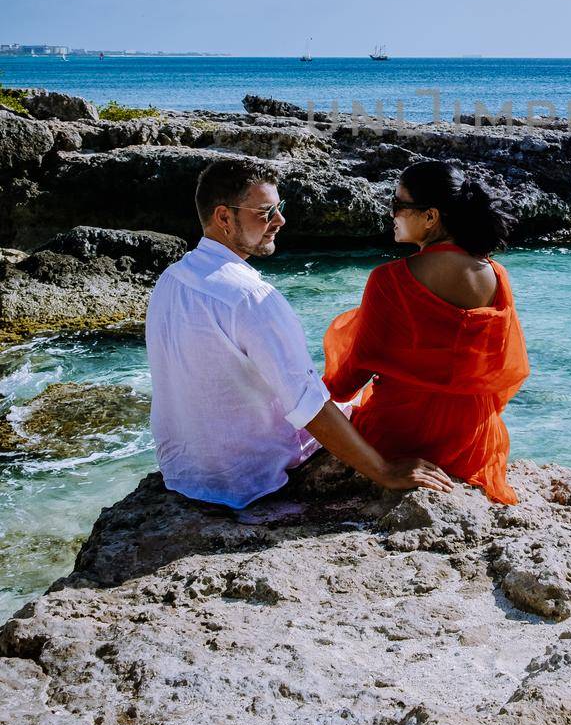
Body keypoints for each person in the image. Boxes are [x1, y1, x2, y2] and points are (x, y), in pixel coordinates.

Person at [145, 158, 452, 508]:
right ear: (224, 218)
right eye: (265, 212)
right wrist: (383, 471)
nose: (280, 220)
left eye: (279, 207)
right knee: (372, 406)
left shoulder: (171, 278)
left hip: (185, 470)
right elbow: (306, 404)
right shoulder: (252, 298)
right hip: (247, 477)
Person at [322, 160, 530, 505]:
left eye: (398, 205)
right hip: (473, 441)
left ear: (431, 217)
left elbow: (349, 378)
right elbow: (506, 369)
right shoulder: (497, 275)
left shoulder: (389, 279)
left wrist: (314, 398)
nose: (391, 213)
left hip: (402, 437)